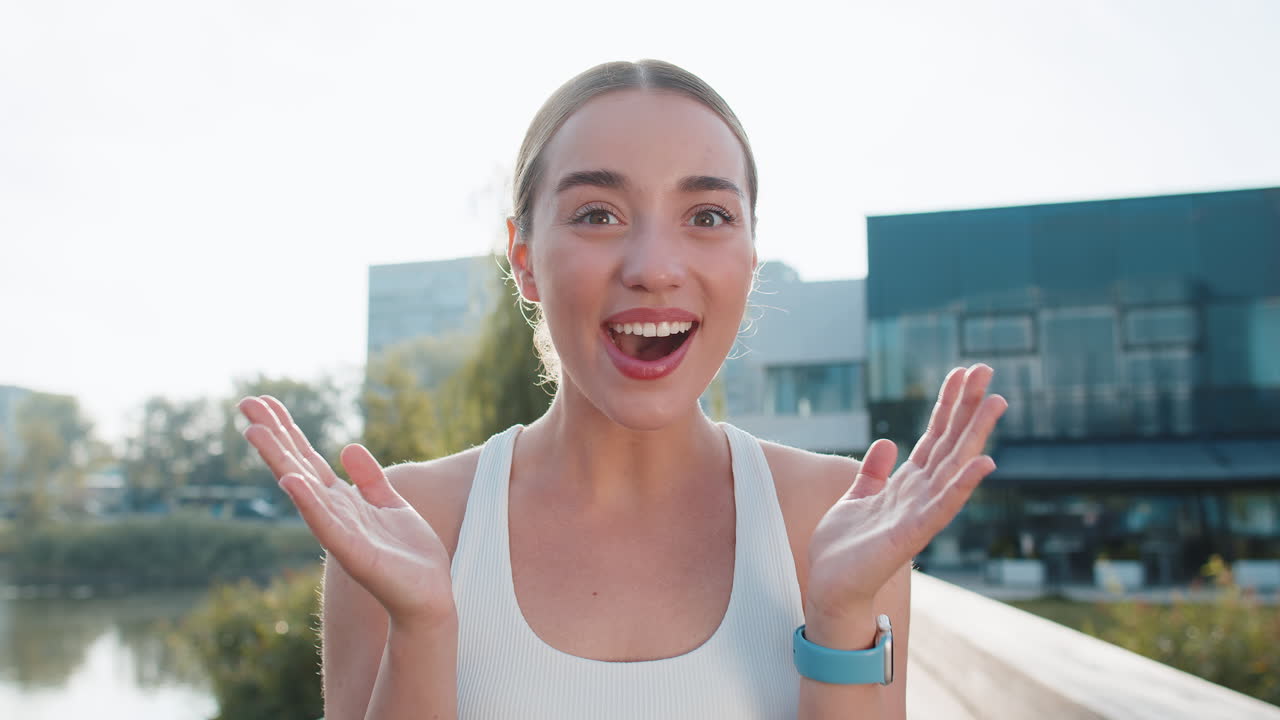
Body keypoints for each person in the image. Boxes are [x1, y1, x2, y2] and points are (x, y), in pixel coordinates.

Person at [239, 59, 1007, 720]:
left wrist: (839, 616)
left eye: (708, 215)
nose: (654, 267)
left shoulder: (839, 518)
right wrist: (424, 631)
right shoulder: (405, 527)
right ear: (524, 258)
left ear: (749, 259)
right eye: (598, 214)